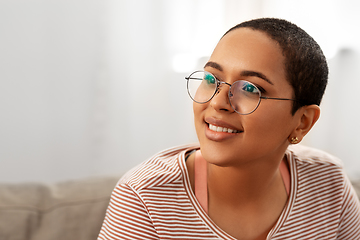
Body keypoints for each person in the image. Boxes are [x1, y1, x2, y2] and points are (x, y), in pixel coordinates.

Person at [98, 18, 360, 240]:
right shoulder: (144, 198)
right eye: (211, 79)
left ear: (302, 121)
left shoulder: (328, 183)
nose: (217, 102)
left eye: (250, 88)